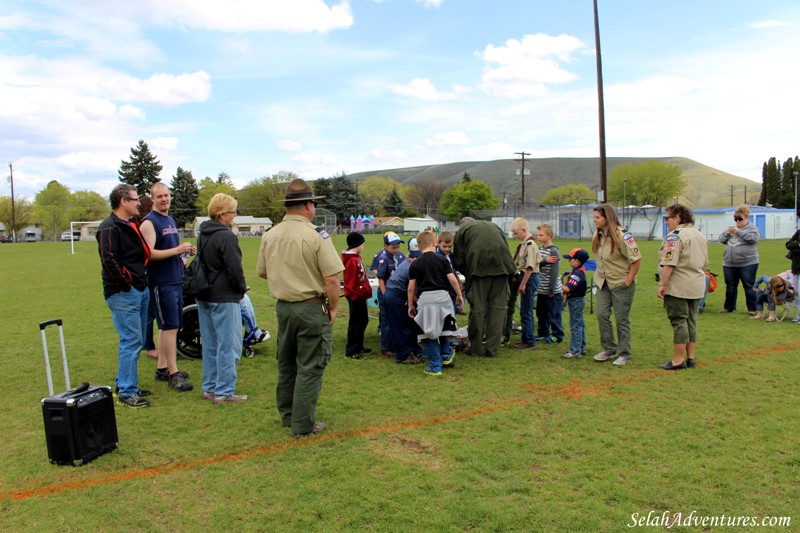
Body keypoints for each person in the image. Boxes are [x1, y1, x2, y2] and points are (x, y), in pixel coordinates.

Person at [256, 179, 344, 437]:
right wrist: (334, 308)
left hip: (284, 308)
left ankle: (289, 416)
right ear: (308, 205)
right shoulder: (316, 235)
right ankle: (303, 424)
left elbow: (262, 273)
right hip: (310, 308)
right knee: (310, 366)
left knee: (286, 365)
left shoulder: (270, 234)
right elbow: (331, 280)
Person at [96, 184, 152, 408]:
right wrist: (126, 284)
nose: (139, 203)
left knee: (134, 340)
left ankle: (126, 384)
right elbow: (108, 260)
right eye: (135, 199)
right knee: (131, 340)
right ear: (122, 201)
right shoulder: (109, 228)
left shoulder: (129, 224)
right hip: (124, 293)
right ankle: (127, 392)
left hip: (139, 288)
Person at [139, 182, 194, 392]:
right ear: (152, 199)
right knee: (170, 328)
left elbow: (170, 250)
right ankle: (173, 374)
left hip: (174, 279)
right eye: (159, 196)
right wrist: (176, 250)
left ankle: (162, 368)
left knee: (168, 328)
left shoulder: (168, 219)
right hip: (161, 283)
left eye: (166, 195)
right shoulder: (149, 222)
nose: (164, 199)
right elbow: (149, 254)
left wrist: (183, 255)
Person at [196, 193, 249, 403]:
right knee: (228, 345)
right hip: (224, 296)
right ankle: (224, 392)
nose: (234, 216)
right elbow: (235, 269)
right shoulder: (226, 236)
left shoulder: (203, 233)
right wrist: (241, 289)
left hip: (204, 294)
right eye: (232, 212)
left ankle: (210, 387)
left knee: (210, 343)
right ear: (221, 214)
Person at [452, 217, 516, 357]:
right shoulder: (494, 226)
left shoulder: (462, 231)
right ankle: (492, 349)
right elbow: (505, 247)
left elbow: (458, 258)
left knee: (478, 310)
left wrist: (466, 275)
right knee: (498, 310)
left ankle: (475, 349)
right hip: (503, 269)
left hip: (478, 271)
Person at [657, 204, 708, 370]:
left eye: (668, 218)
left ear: (677, 218)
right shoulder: (699, 235)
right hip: (697, 284)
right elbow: (705, 263)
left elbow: (669, 263)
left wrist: (662, 284)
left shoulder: (675, 237)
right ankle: (690, 357)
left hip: (679, 286)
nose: (666, 222)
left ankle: (678, 359)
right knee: (691, 321)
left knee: (679, 321)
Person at [591, 204, 642, 367]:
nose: (594, 220)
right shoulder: (597, 235)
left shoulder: (623, 235)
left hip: (620, 283)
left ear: (607, 218)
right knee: (601, 314)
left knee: (621, 319)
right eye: (594, 217)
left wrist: (628, 281)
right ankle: (609, 348)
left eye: (597, 217)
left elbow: (636, 259)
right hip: (602, 282)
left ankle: (624, 353)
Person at [408, 231, 463, 376]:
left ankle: (435, 366)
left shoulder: (415, 264)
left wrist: (410, 305)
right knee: (444, 328)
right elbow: (452, 279)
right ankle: (446, 355)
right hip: (443, 298)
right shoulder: (442, 259)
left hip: (426, 300)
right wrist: (459, 295)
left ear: (419, 247)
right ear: (434, 243)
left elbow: (411, 288)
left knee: (429, 333)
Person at [384, 241, 423, 364]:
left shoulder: (407, 262)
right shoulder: (413, 266)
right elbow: (412, 291)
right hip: (395, 296)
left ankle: (412, 350)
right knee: (400, 327)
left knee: (407, 324)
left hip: (395, 295)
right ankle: (403, 355)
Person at [718, 204, 760, 314]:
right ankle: (729, 307)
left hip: (747, 263)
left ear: (746, 218)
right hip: (729, 263)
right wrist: (727, 233)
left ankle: (752, 308)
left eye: (740, 219)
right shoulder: (732, 229)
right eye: (735, 219)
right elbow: (721, 240)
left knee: (749, 286)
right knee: (730, 286)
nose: (737, 221)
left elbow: (754, 239)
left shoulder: (752, 228)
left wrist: (738, 232)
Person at [506, 218, 541, 350]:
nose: (515, 236)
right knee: (524, 311)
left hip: (529, 278)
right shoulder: (524, 244)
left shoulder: (530, 244)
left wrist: (523, 284)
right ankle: (526, 338)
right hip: (524, 277)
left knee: (526, 311)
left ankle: (529, 341)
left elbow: (529, 267)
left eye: (516, 233)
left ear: (524, 230)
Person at [373, 231, 406, 356]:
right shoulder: (384, 259)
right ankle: (386, 348)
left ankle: (394, 344)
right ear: (386, 246)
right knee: (386, 321)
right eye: (393, 247)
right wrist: (385, 293)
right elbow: (381, 278)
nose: (396, 250)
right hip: (387, 294)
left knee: (395, 319)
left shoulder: (397, 257)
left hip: (396, 294)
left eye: (398, 247)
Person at [342, 231, 373, 360]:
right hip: (355, 296)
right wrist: (353, 295)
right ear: (357, 245)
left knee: (363, 320)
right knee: (356, 323)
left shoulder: (356, 258)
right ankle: (351, 350)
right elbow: (349, 281)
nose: (363, 247)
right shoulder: (351, 261)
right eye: (362, 244)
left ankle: (359, 345)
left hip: (361, 295)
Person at [135, 194, 158, 360]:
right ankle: (149, 346)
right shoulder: (145, 225)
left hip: (154, 273)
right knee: (149, 313)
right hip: (147, 274)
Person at [535, 224, 563, 344]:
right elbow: (536, 264)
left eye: (541, 235)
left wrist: (551, 290)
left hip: (552, 290)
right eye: (538, 235)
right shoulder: (539, 249)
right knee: (541, 313)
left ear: (549, 236)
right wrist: (544, 261)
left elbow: (554, 272)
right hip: (541, 289)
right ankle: (542, 332)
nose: (538, 237)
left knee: (554, 314)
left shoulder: (554, 251)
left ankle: (557, 335)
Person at [561, 248, 589, 359]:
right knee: (580, 324)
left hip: (575, 301)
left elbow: (567, 288)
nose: (569, 261)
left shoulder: (577, 274)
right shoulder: (577, 271)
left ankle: (575, 351)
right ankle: (581, 347)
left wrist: (558, 284)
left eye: (570, 259)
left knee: (575, 326)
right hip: (577, 300)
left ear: (577, 261)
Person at [436, 231, 466, 316]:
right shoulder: (437, 256)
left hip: (452, 290)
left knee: (451, 313)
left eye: (449, 247)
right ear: (438, 243)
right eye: (444, 246)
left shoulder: (451, 256)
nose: (447, 249)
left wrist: (459, 281)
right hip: (443, 290)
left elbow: (454, 269)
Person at [784, 228, 800, 323]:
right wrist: (797, 245)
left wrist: (795, 248)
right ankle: (798, 316)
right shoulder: (798, 232)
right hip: (795, 268)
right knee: (797, 293)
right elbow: (788, 244)